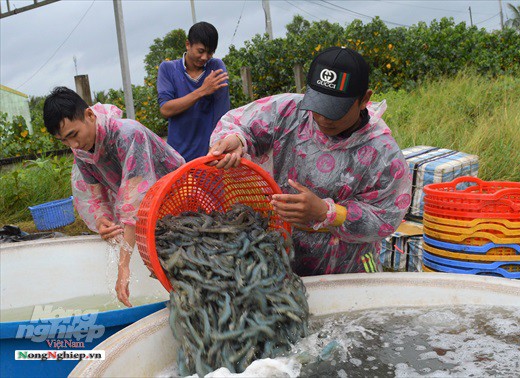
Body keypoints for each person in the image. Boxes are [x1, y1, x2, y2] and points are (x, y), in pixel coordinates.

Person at [208, 47, 412, 276]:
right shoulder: (289, 111)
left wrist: (327, 213)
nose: (323, 118)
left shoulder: (383, 155)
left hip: (348, 270)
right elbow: (240, 123)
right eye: (318, 105)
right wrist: (237, 140)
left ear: (364, 99)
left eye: (335, 110)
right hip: (281, 257)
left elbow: (385, 219)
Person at [43, 87, 185, 307]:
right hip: (150, 211)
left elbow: (133, 200)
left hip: (181, 198)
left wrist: (124, 266)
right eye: (64, 140)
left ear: (90, 115)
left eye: (73, 135)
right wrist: (101, 220)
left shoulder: (128, 134)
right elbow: (94, 197)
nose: (73, 145)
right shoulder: (82, 153)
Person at [157, 21, 230, 162]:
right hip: (177, 158)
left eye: (210, 52)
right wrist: (202, 91)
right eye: (201, 51)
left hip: (210, 156)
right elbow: (166, 109)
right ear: (188, 45)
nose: (204, 57)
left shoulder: (216, 67)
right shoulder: (168, 69)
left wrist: (216, 149)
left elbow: (222, 114)